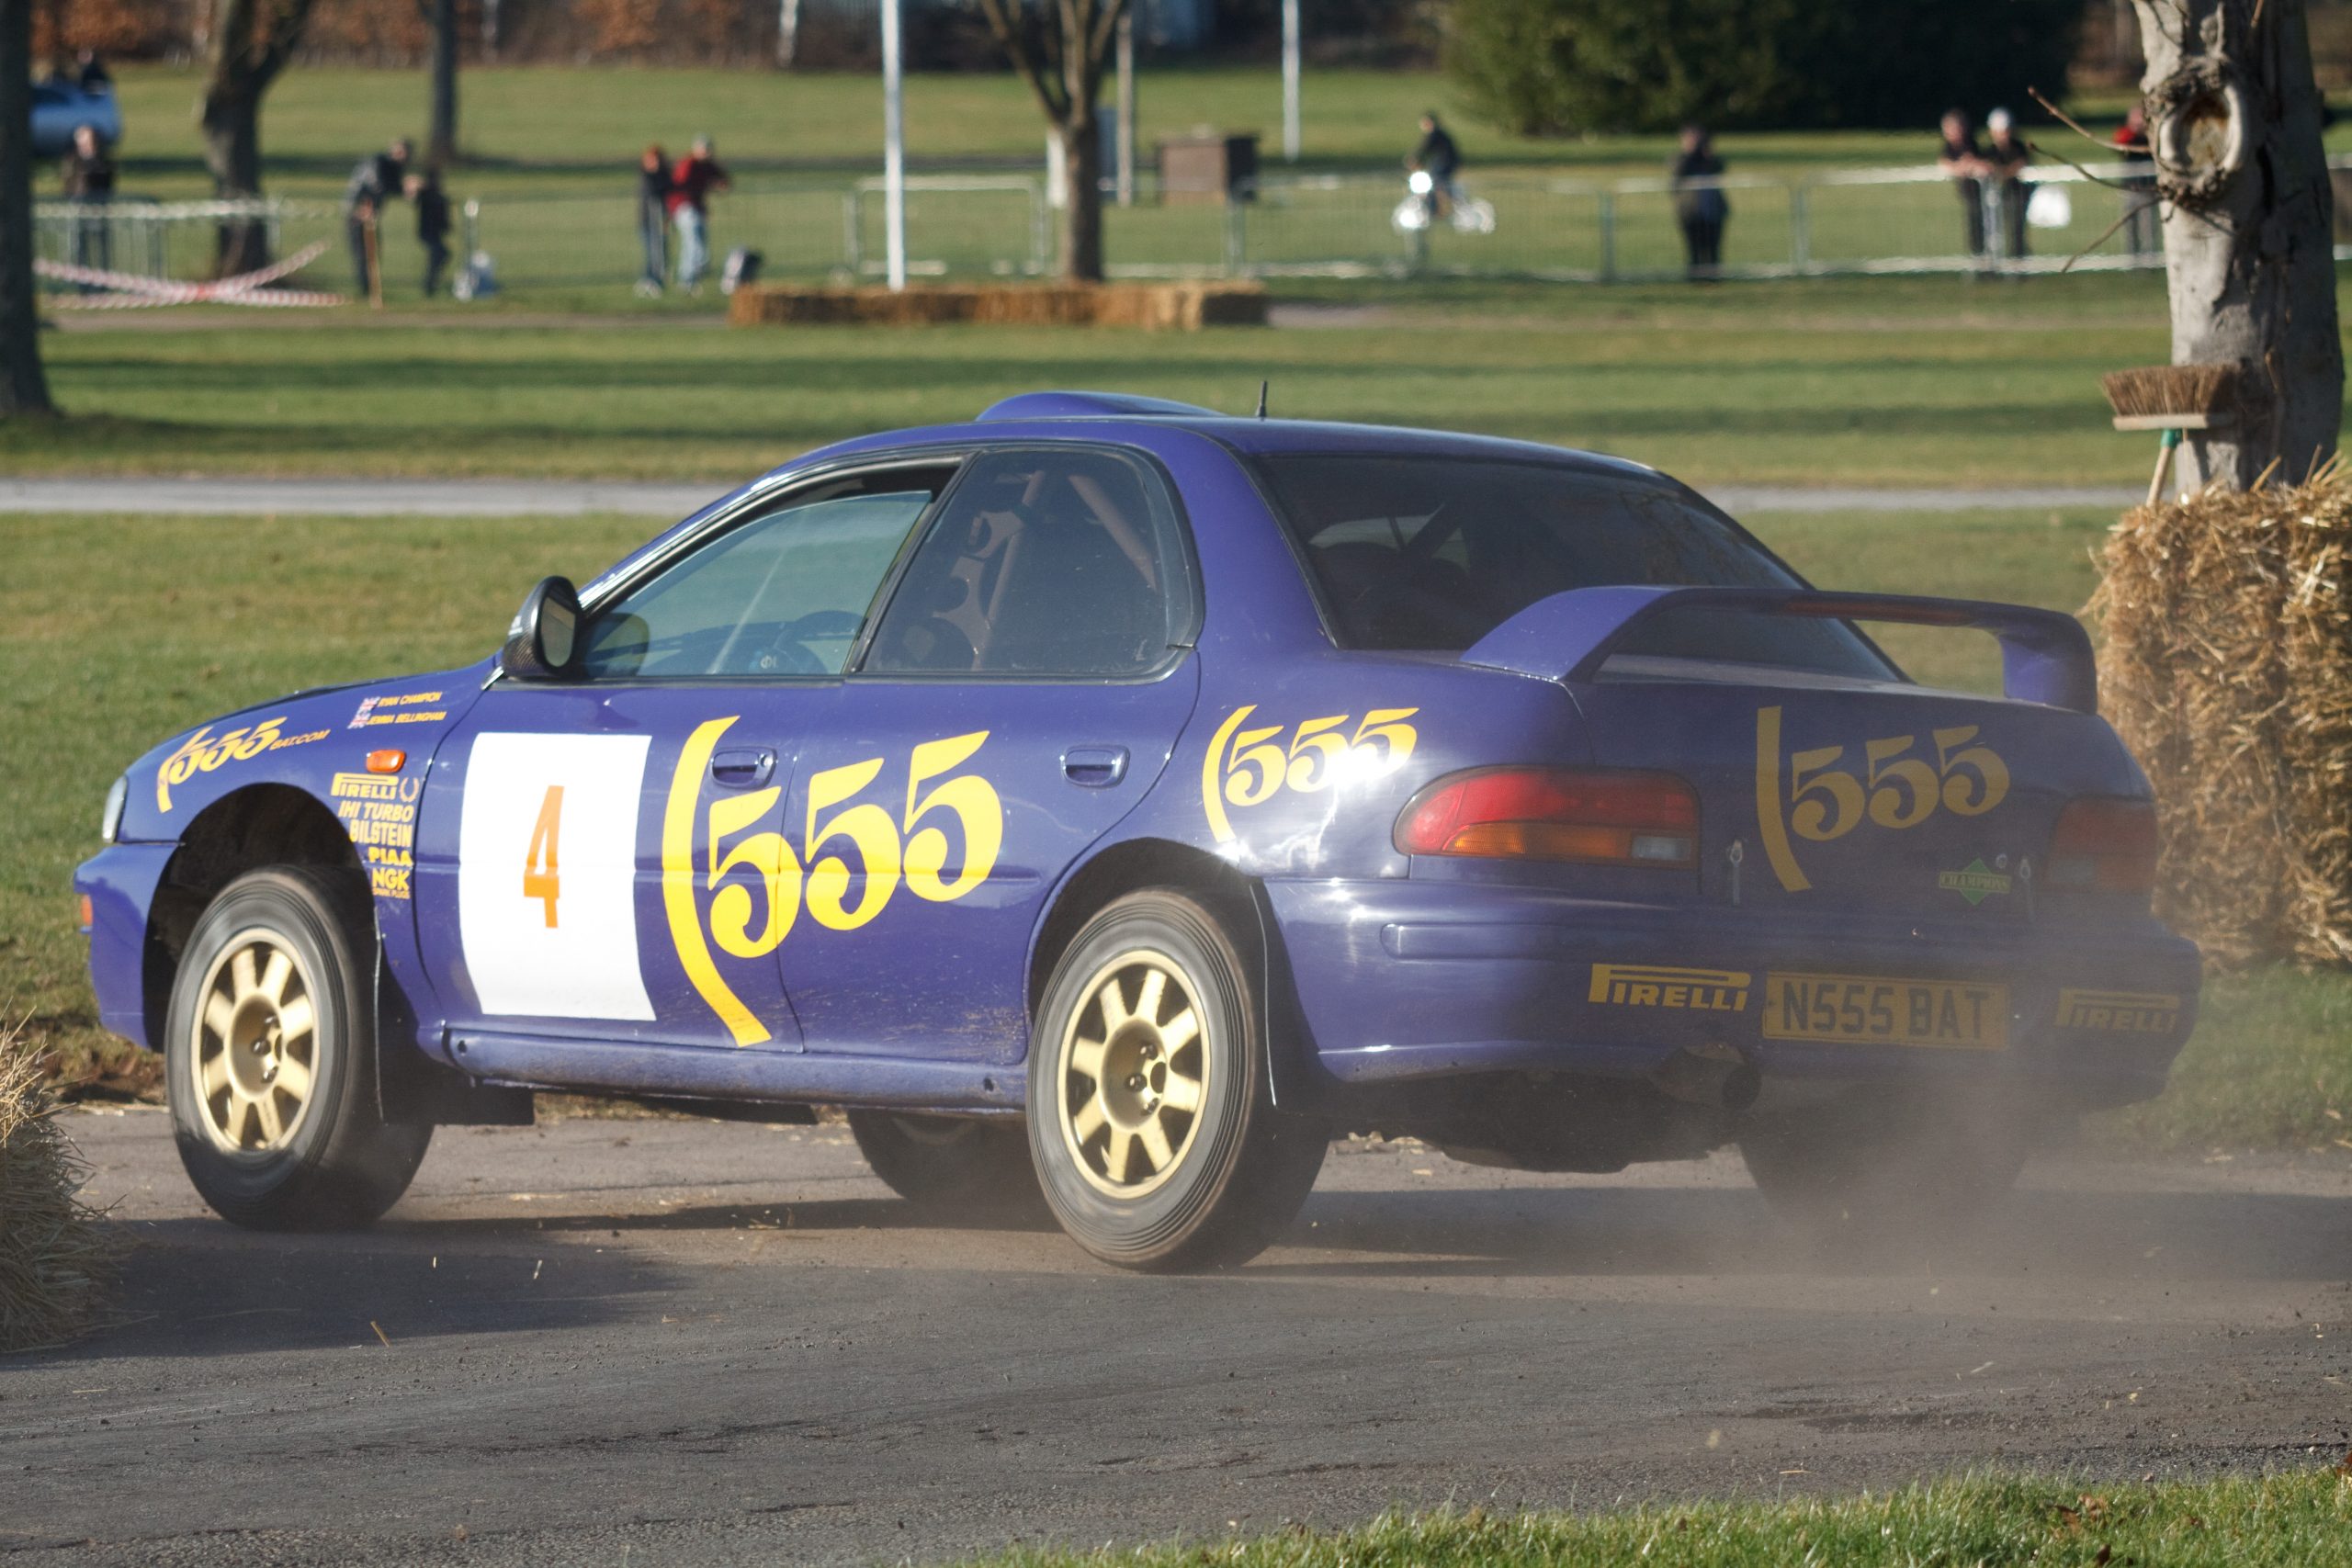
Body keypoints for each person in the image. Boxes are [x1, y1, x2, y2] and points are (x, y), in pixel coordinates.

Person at [343, 137, 411, 296]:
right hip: (358, 214)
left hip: (371, 216)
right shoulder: (378, 162)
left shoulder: (394, 168)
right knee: (363, 253)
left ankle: (372, 288)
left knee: (373, 252)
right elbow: (374, 185)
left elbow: (393, 188)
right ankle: (365, 290)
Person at [667, 136, 729, 293]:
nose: (707, 153)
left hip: (698, 208)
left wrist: (719, 184)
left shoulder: (707, 165)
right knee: (692, 242)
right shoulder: (688, 164)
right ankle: (687, 278)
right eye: (704, 150)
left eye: (709, 150)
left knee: (700, 243)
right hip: (684, 207)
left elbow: (723, 180)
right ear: (696, 150)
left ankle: (692, 278)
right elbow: (679, 185)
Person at [1670, 124, 1729, 279]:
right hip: (1691, 211)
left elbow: (1720, 167)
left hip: (1713, 210)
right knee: (1694, 247)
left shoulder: (1709, 158)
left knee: (1713, 246)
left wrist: (1708, 153)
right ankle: (1694, 277)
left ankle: (1714, 277)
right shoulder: (1680, 159)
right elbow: (1678, 172)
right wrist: (1690, 152)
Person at [60, 123, 115, 279]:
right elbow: (68, 181)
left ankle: (103, 281)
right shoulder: (72, 160)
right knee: (79, 247)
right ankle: (81, 282)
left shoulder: (102, 160)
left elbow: (108, 180)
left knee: (101, 247)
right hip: (78, 208)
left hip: (98, 208)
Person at [1937, 108, 1989, 262]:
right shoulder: (1948, 148)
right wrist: (1962, 167)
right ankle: (1977, 260)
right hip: (1968, 195)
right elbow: (1945, 164)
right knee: (1974, 229)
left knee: (1985, 228)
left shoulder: (1971, 143)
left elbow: (1978, 162)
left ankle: (1985, 261)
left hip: (1981, 195)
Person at [1983, 107, 2031, 264]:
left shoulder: (2018, 147)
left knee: (2017, 227)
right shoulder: (1990, 150)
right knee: (1992, 229)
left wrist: (2003, 172)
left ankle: (2018, 260)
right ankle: (1991, 261)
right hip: (1994, 196)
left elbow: (2021, 164)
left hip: (2018, 193)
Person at [2114, 102, 2158, 257]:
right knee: (2129, 226)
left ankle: (2149, 257)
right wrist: (2134, 131)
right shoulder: (2127, 135)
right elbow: (2120, 142)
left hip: (2147, 188)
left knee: (2148, 227)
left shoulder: (2150, 136)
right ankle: (2131, 257)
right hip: (2130, 187)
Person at [1408, 111, 1464, 224]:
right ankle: (1451, 207)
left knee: (1433, 185)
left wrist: (1413, 159)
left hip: (1443, 165)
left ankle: (1436, 211)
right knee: (1440, 186)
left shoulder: (1434, 134)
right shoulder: (1441, 134)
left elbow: (1424, 148)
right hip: (1445, 164)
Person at [405, 171, 452, 299]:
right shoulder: (426, 194)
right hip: (427, 232)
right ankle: (429, 285)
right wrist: (416, 186)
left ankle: (431, 283)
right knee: (439, 253)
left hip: (435, 233)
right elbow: (411, 195)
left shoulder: (439, 196)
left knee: (441, 254)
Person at [636, 145, 672, 296]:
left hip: (662, 220)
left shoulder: (665, 176)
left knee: (661, 253)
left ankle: (654, 280)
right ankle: (650, 280)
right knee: (652, 253)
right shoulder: (646, 177)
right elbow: (653, 195)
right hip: (647, 221)